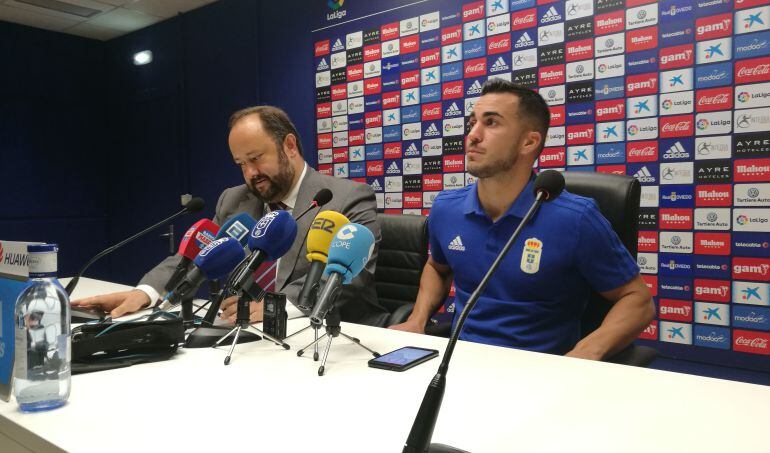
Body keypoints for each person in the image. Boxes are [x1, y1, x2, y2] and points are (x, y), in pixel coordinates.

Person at [390, 80, 655, 360]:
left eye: (491, 123)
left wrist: (587, 351)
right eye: (472, 123)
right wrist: (418, 320)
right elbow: (438, 268)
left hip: (540, 373)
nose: (473, 135)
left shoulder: (576, 218)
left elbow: (637, 300)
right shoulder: (446, 209)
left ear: (529, 141)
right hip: (458, 363)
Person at [72, 106, 389, 327]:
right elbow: (195, 256)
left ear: (289, 145)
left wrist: (272, 308)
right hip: (249, 338)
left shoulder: (346, 197)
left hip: (332, 338)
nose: (251, 174)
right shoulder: (235, 200)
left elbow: (349, 280)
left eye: (256, 158)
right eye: (241, 163)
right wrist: (145, 293)